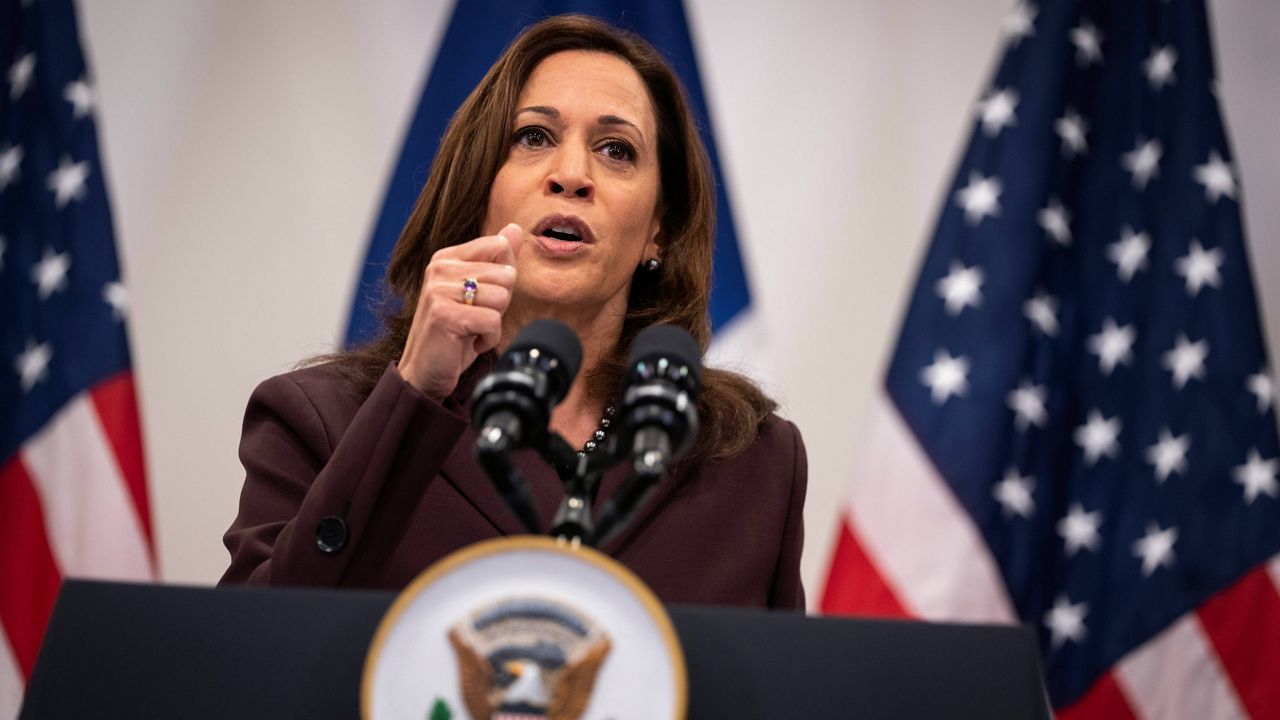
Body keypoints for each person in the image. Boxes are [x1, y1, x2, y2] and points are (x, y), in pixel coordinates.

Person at [220, 14, 807, 609]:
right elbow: (255, 656)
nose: (572, 176)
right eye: (534, 137)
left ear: (659, 228)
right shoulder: (321, 420)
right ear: (479, 188)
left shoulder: (754, 462)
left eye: (616, 149)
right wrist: (414, 396)